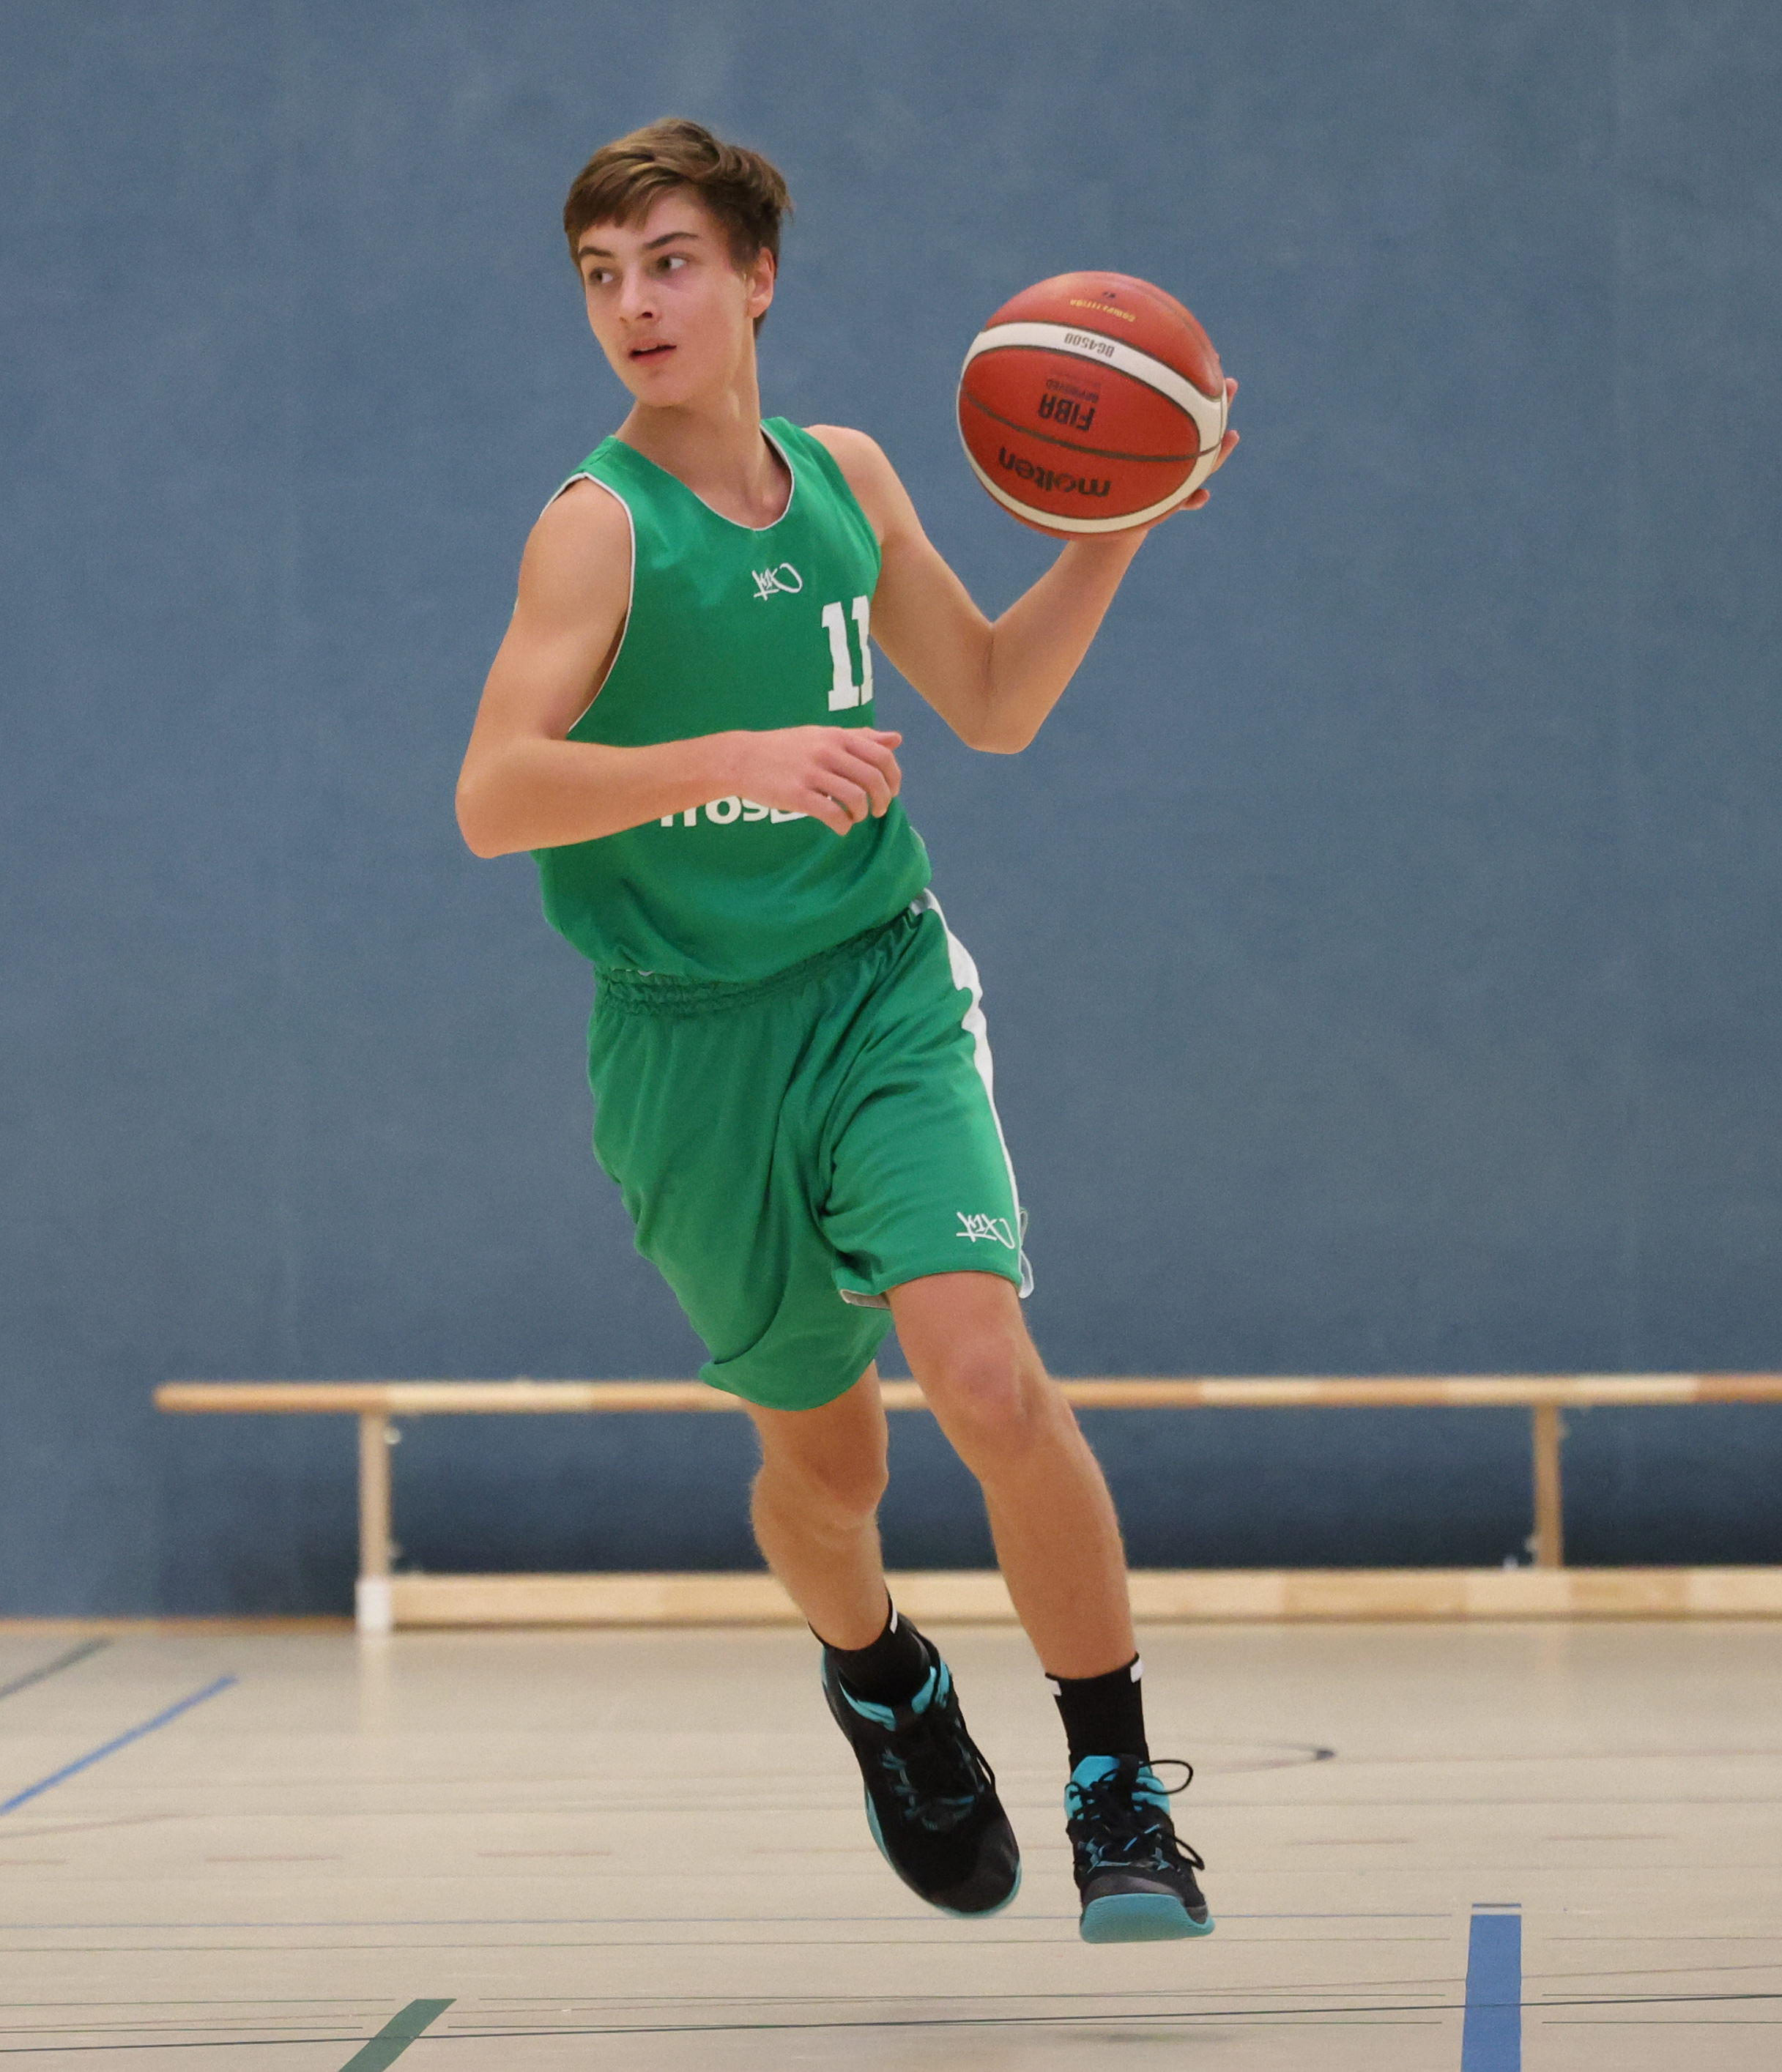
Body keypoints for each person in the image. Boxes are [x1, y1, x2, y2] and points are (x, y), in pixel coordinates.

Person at [453, 118, 1236, 1943]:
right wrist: (729, 756)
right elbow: (494, 794)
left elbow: (993, 700)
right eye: (601, 275)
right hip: (688, 1042)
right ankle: (884, 1679)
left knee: (982, 1369)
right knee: (832, 1476)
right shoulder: (596, 526)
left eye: (670, 263)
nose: (636, 304)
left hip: (877, 983)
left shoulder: (849, 475)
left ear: (756, 278)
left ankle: (1120, 1790)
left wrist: (1113, 529)